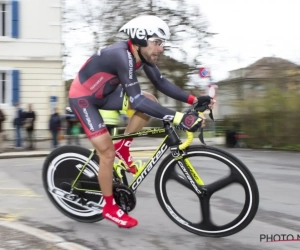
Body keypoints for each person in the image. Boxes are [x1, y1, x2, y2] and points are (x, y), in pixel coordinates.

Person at [68, 15, 216, 229]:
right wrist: (179, 117)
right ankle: (109, 207)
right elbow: (134, 99)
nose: (161, 48)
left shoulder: (140, 55)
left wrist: (194, 99)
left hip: (106, 93)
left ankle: (123, 147)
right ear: (140, 39)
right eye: (157, 42)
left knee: (150, 99)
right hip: (84, 99)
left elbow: (160, 82)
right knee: (106, 154)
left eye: (162, 43)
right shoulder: (122, 56)